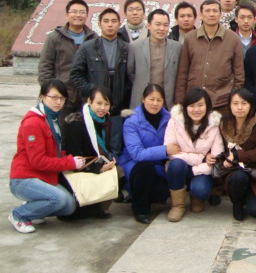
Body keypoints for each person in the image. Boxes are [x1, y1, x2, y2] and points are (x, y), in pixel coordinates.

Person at [8, 80, 83, 233]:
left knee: (69, 206)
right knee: (58, 199)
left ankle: (34, 208)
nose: (58, 102)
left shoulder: (52, 119)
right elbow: (38, 161)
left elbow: (54, 152)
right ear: (42, 96)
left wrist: (72, 159)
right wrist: (70, 163)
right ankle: (19, 215)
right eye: (54, 97)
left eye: (62, 98)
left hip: (43, 177)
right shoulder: (33, 122)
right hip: (24, 179)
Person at [71, 8, 131, 156]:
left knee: (115, 147)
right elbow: (76, 74)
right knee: (94, 146)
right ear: (99, 24)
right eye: (106, 21)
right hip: (94, 106)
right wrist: (92, 92)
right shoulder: (88, 47)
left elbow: (131, 76)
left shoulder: (126, 48)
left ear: (119, 24)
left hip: (117, 107)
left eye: (114, 21)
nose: (110, 25)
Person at [174, 0, 244, 114]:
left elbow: (239, 74)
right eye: (207, 11)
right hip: (194, 100)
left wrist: (233, 98)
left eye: (215, 11)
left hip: (222, 101)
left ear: (220, 14)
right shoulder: (190, 38)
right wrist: (180, 101)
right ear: (201, 15)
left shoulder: (232, 38)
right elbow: (183, 72)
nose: (211, 14)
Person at [164, 88, 223, 222]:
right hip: (181, 167)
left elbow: (216, 158)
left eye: (200, 105)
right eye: (192, 106)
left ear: (207, 106)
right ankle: (177, 206)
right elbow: (170, 152)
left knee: (200, 192)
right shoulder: (174, 121)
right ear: (185, 107)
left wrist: (194, 169)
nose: (196, 110)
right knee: (176, 165)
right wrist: (202, 158)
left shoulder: (214, 124)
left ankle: (197, 198)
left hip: (202, 171)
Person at [62, 86, 119, 220]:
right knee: (76, 215)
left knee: (120, 172)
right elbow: (74, 156)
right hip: (80, 168)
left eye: (106, 104)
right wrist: (98, 168)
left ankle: (100, 207)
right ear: (89, 101)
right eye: (99, 103)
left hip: (97, 164)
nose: (102, 108)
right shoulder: (77, 123)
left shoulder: (107, 122)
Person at [119, 84, 173, 224]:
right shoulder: (131, 121)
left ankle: (147, 196)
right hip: (134, 165)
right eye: (151, 99)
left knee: (162, 192)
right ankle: (140, 209)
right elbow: (137, 154)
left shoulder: (169, 119)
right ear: (143, 99)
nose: (155, 103)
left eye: (159, 100)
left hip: (158, 166)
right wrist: (165, 150)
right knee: (145, 167)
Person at [37, 0, 98, 114]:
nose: (78, 15)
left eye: (82, 12)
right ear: (66, 15)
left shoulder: (94, 39)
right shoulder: (55, 37)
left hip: (86, 96)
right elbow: (45, 66)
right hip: (61, 96)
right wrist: (51, 92)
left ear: (87, 15)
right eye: (74, 12)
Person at [219, 88, 256, 221]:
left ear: (250, 105)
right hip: (233, 171)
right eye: (235, 103)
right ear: (230, 105)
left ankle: (248, 197)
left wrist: (237, 155)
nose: (239, 107)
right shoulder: (224, 124)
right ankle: (237, 203)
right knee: (238, 177)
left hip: (254, 171)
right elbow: (219, 149)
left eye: (244, 103)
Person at [128, 9, 182, 109]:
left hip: (167, 102)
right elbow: (130, 73)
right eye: (158, 24)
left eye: (165, 25)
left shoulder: (177, 48)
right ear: (148, 25)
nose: (162, 28)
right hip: (141, 101)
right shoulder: (135, 47)